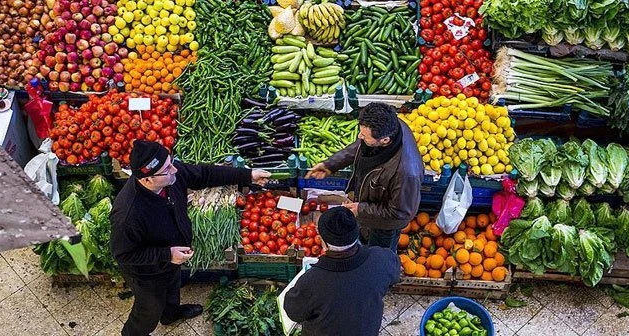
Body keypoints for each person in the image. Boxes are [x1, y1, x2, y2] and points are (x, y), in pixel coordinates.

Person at [110, 140, 271, 336]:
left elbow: (205, 174)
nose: (174, 170)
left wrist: (247, 175)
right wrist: (166, 254)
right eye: (167, 169)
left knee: (172, 289)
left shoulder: (170, 177)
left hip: (172, 260)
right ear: (147, 180)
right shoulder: (128, 214)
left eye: (171, 163)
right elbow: (124, 255)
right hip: (147, 274)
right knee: (149, 310)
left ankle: (171, 314)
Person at [306, 102, 424, 251]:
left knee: (378, 255)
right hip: (370, 205)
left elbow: (400, 214)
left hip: (384, 226)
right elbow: (361, 145)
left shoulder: (406, 173)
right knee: (363, 241)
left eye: (364, 135)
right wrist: (331, 164)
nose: (359, 136)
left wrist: (361, 209)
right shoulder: (391, 125)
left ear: (385, 140)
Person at [284, 206, 401, 336]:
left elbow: (293, 312)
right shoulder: (383, 259)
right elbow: (395, 275)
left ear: (323, 242)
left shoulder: (311, 281)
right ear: (357, 233)